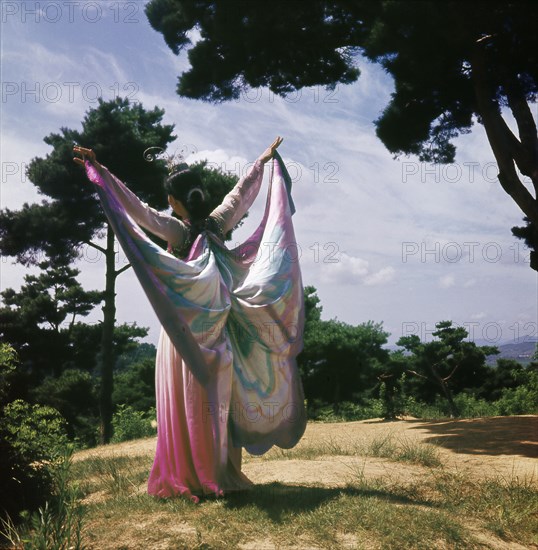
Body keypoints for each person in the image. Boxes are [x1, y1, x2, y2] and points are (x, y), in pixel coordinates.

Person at [73, 138, 306, 502]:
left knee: (192, 404)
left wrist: (100, 172)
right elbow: (240, 195)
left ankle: (194, 474)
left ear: (173, 200)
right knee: (219, 401)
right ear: (198, 194)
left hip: (182, 334)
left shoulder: (176, 231)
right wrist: (261, 162)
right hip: (219, 331)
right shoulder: (217, 223)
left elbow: (136, 210)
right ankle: (221, 470)